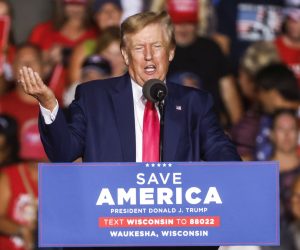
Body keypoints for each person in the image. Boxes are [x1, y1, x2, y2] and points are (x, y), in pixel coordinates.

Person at [19, 11, 241, 249]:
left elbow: (221, 150)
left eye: (156, 46)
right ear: (125, 54)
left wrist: (239, 179)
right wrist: (49, 105)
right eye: (138, 48)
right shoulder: (94, 97)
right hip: (107, 237)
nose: (149, 57)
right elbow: (63, 152)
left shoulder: (194, 103)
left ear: (171, 52)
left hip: (175, 237)